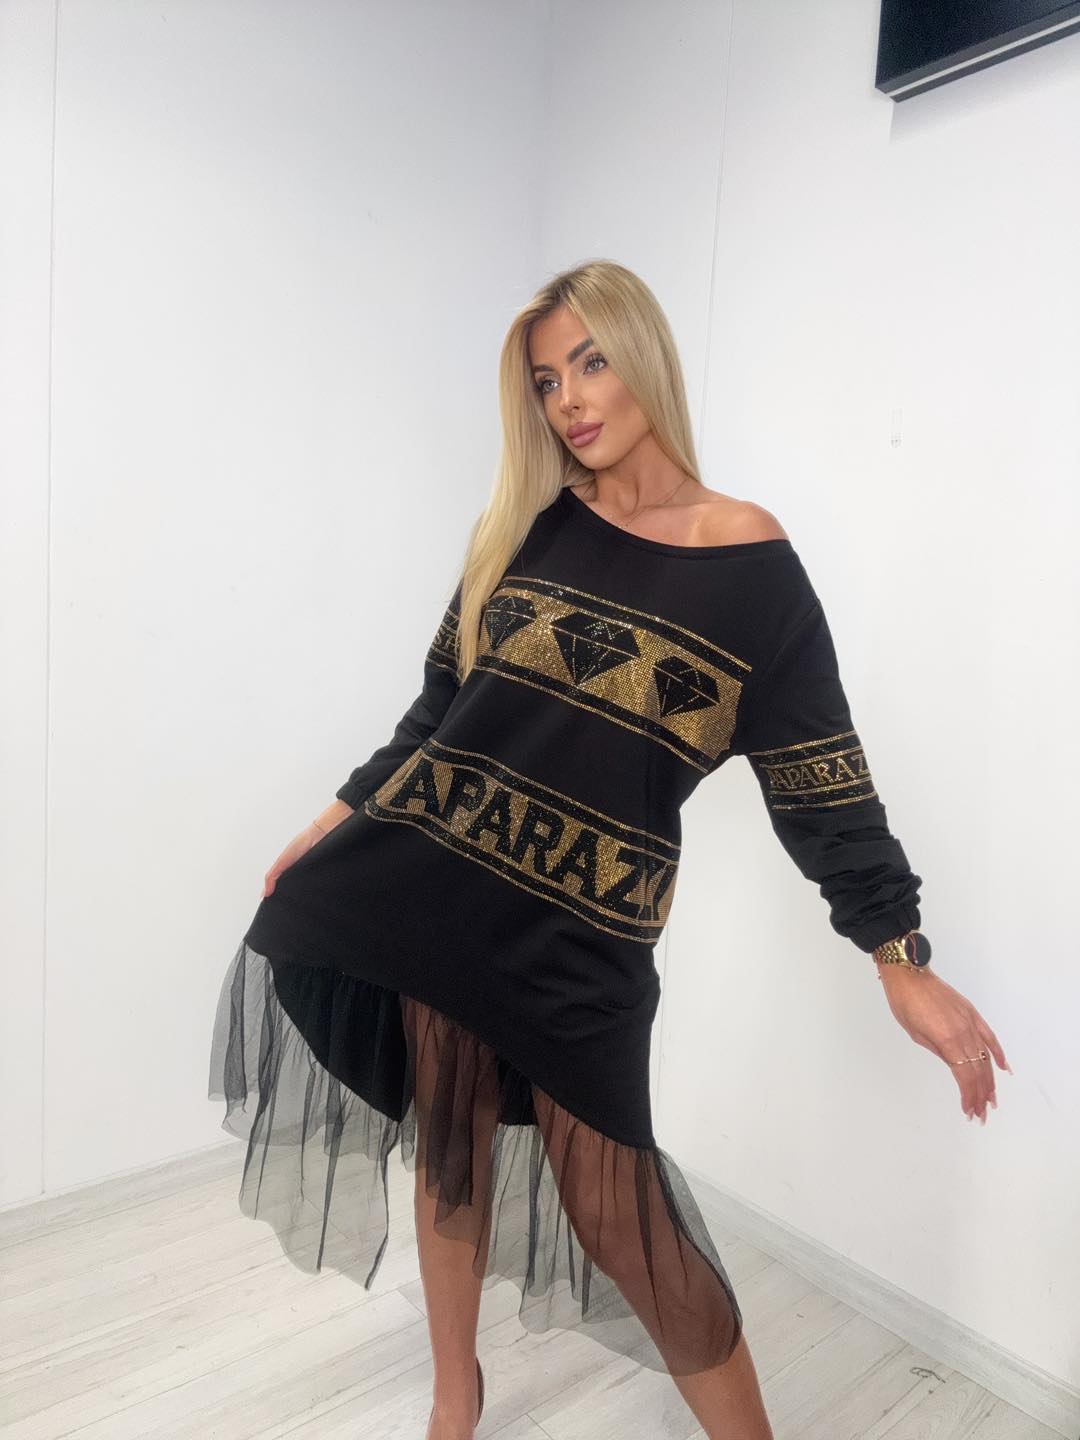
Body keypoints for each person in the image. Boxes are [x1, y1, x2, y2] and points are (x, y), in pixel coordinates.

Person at [208, 259, 1009, 1440]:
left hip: (583, 941)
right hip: (440, 892)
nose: (571, 399)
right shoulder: (522, 529)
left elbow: (822, 783)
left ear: (645, 357)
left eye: (591, 362)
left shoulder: (750, 565)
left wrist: (899, 952)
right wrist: (336, 818)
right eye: (546, 380)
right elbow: (438, 713)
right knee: (450, 1155)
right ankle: (454, 1400)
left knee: (622, 1218)